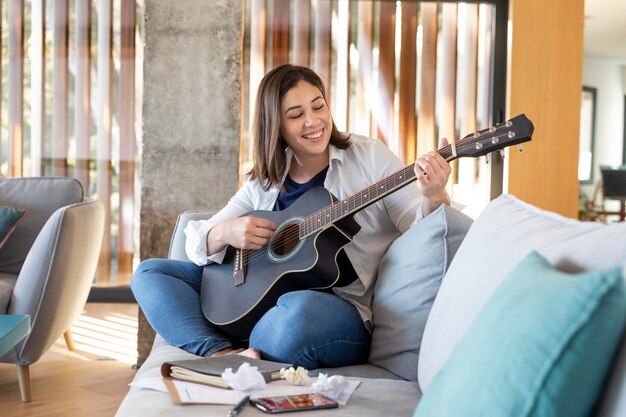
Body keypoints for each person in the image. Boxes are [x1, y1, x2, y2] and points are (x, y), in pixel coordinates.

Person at [131, 64, 451, 369]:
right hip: (259, 305)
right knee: (150, 273)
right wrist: (225, 233)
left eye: (318, 107)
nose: (313, 122)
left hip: (334, 311)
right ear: (276, 126)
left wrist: (433, 195)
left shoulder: (368, 156)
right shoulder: (265, 180)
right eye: (296, 115)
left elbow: (420, 230)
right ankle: (223, 353)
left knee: (297, 312)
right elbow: (198, 240)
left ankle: (241, 346)